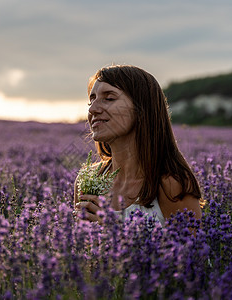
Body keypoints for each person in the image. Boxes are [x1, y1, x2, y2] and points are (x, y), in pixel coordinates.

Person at [73, 64, 204, 225]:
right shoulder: (89, 179)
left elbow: (191, 249)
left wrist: (112, 229)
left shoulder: (171, 184)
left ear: (141, 108)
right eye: (91, 100)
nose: (93, 109)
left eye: (109, 98)